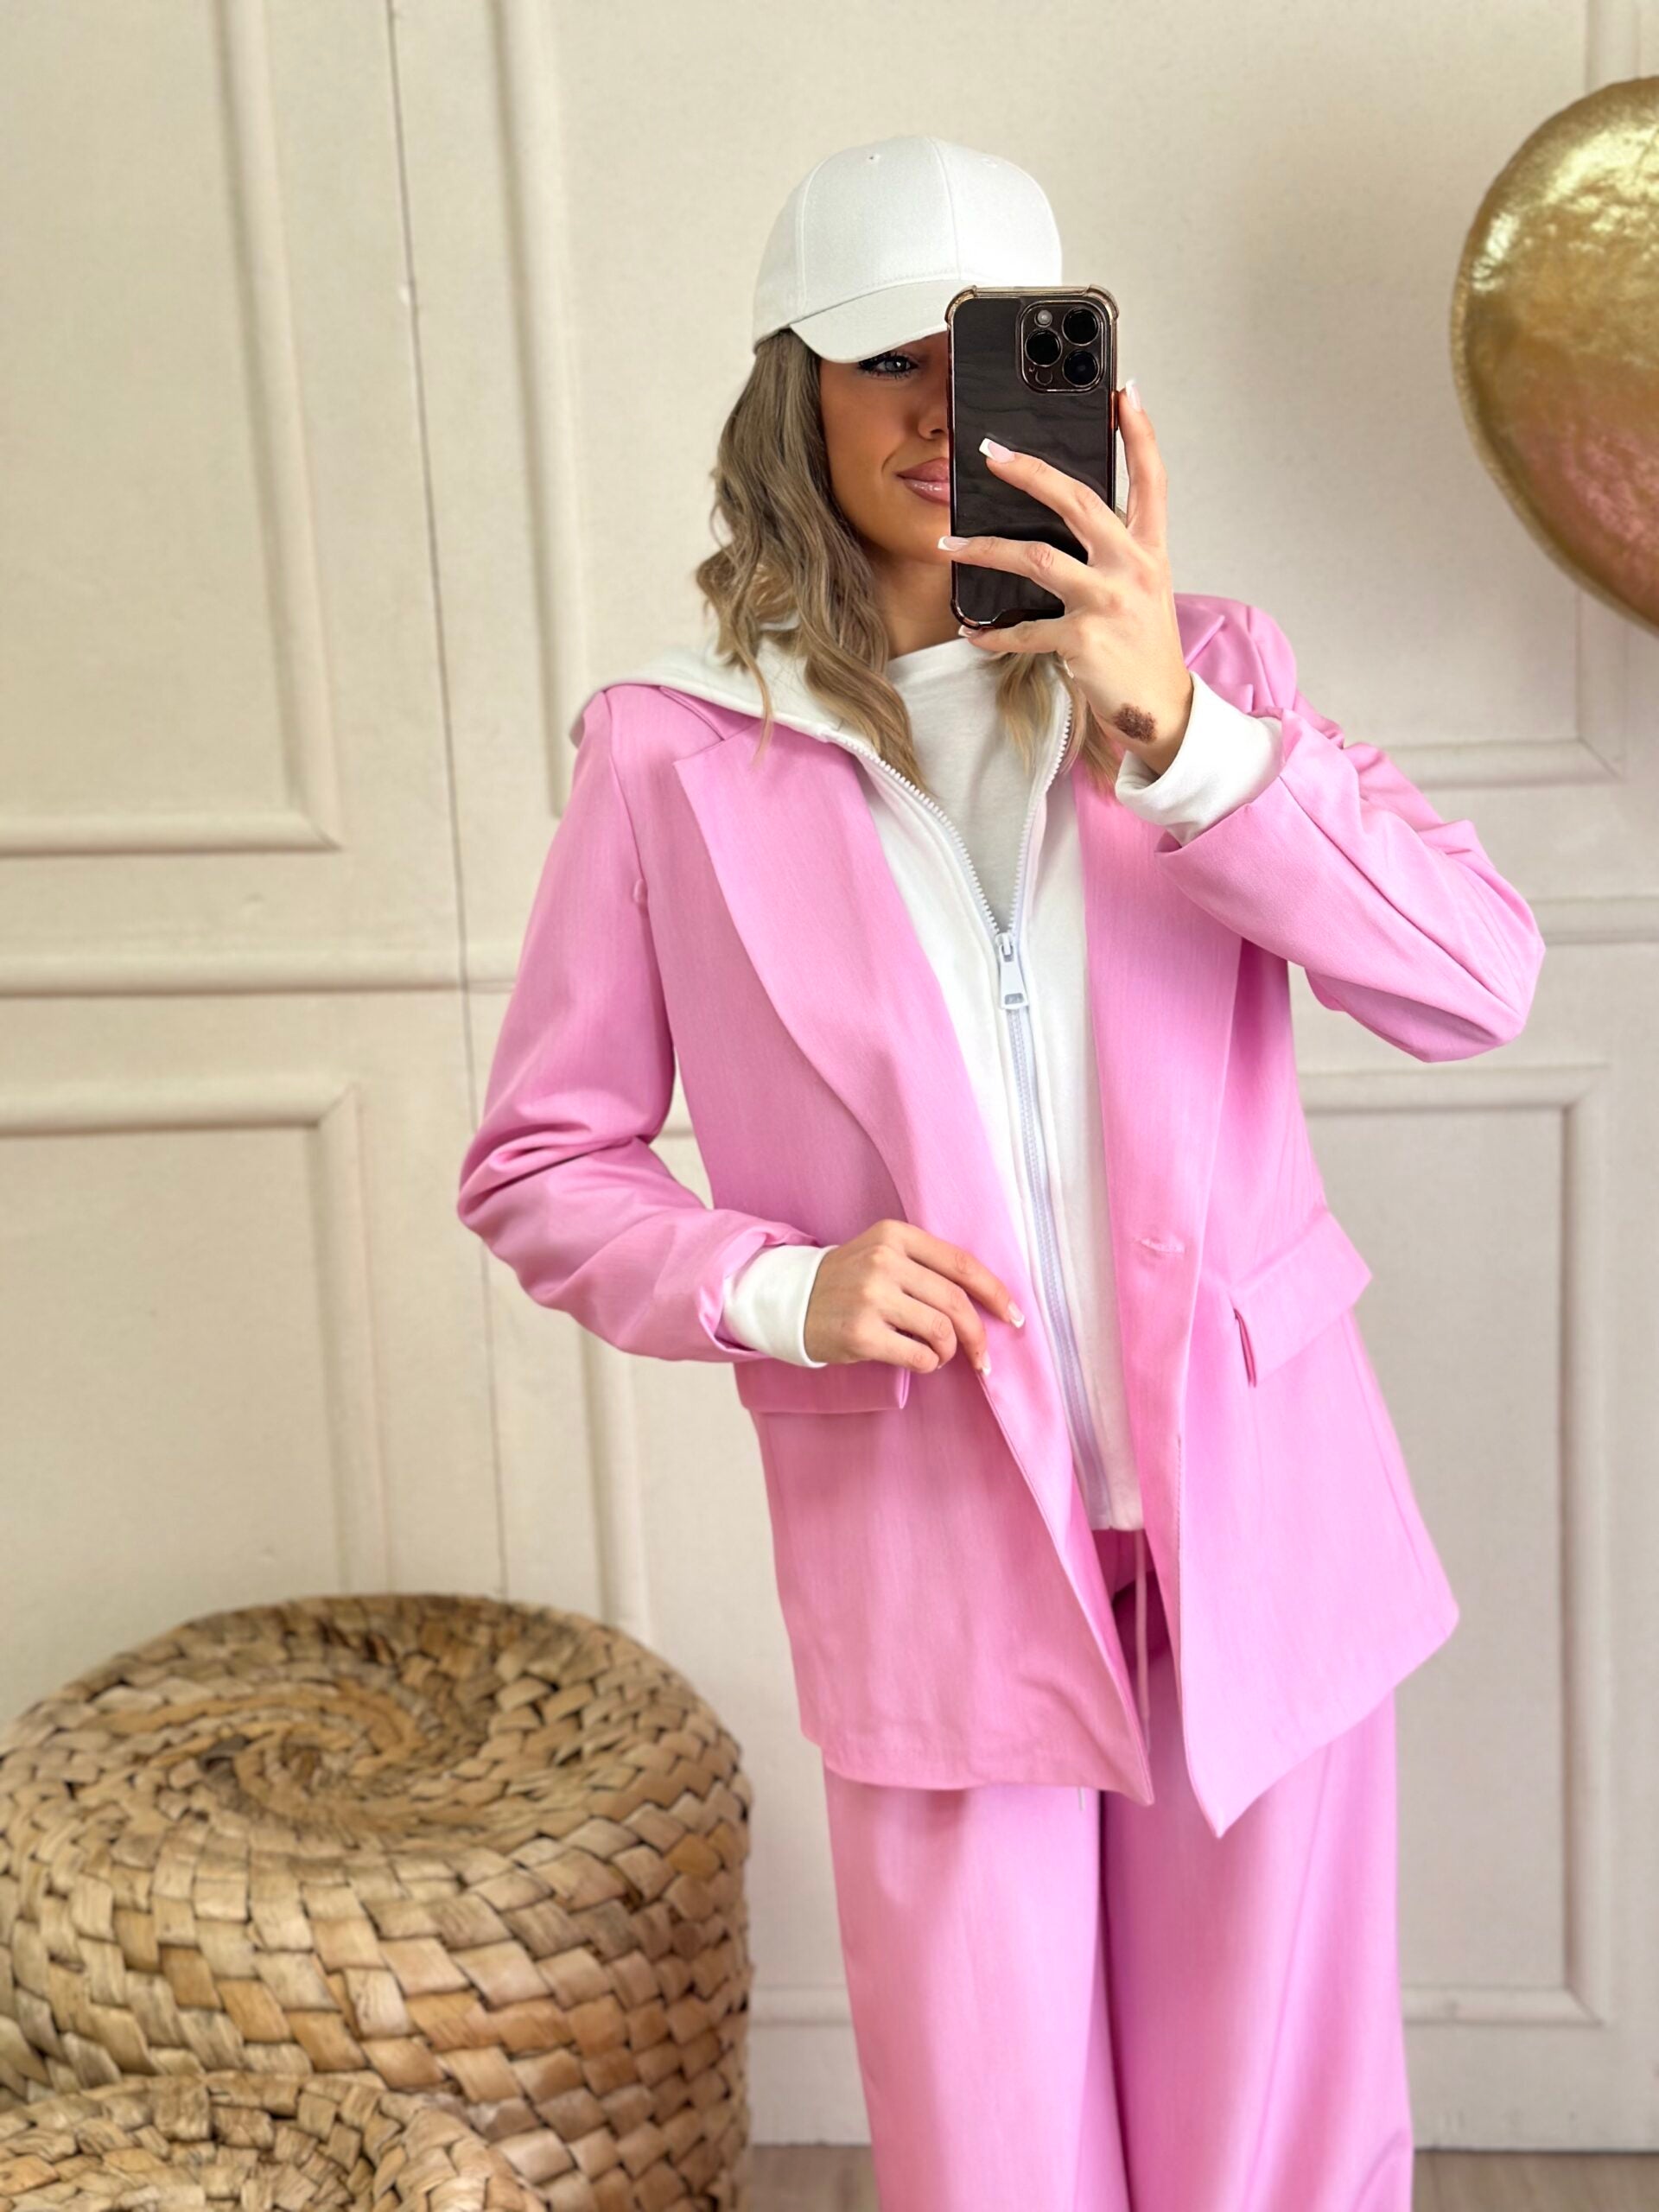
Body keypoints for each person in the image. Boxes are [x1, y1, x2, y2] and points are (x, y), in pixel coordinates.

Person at [456, 136, 1545, 2212]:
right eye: (890, 360)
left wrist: (1186, 731)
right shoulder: (674, 750)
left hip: (1259, 1533)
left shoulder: (1214, 676)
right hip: (937, 1560)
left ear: (1085, 383)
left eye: (994, 354)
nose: (941, 412)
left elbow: (1476, 981)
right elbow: (540, 1155)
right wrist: (780, 1282)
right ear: (794, 394)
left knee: (1278, 2160)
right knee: (996, 2156)